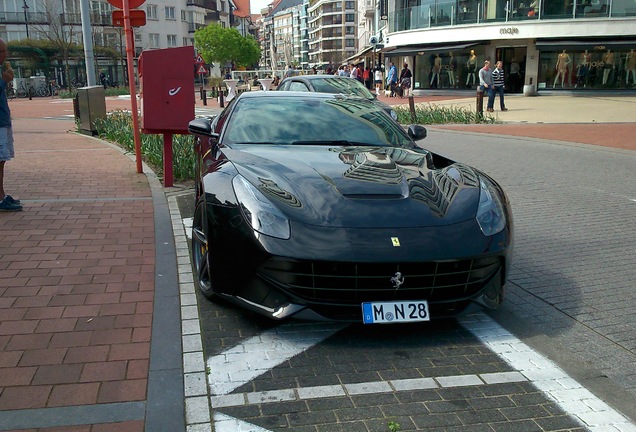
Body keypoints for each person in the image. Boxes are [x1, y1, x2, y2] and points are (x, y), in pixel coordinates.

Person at [0, 38, 20, 212]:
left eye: (5, 51)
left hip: (3, 120)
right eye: (1, 51)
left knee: (2, 161)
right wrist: (3, 81)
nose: (4, 55)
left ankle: (2, 195)